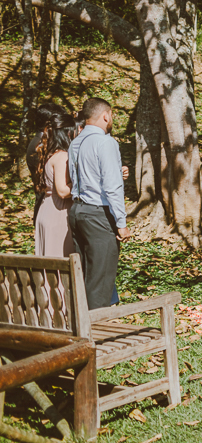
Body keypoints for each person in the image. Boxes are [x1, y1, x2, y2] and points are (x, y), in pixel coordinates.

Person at [66, 98, 130, 309]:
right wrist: (121, 222)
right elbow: (111, 187)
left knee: (85, 273)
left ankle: (81, 326)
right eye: (111, 115)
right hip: (97, 214)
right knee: (100, 280)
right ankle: (97, 334)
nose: (111, 119)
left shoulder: (75, 143)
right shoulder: (106, 142)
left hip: (77, 211)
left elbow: (84, 178)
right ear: (105, 115)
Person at [34, 112, 77, 259]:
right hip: (59, 213)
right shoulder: (62, 156)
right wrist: (86, 183)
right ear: (68, 133)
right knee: (59, 266)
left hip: (47, 208)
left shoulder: (50, 154)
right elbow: (63, 191)